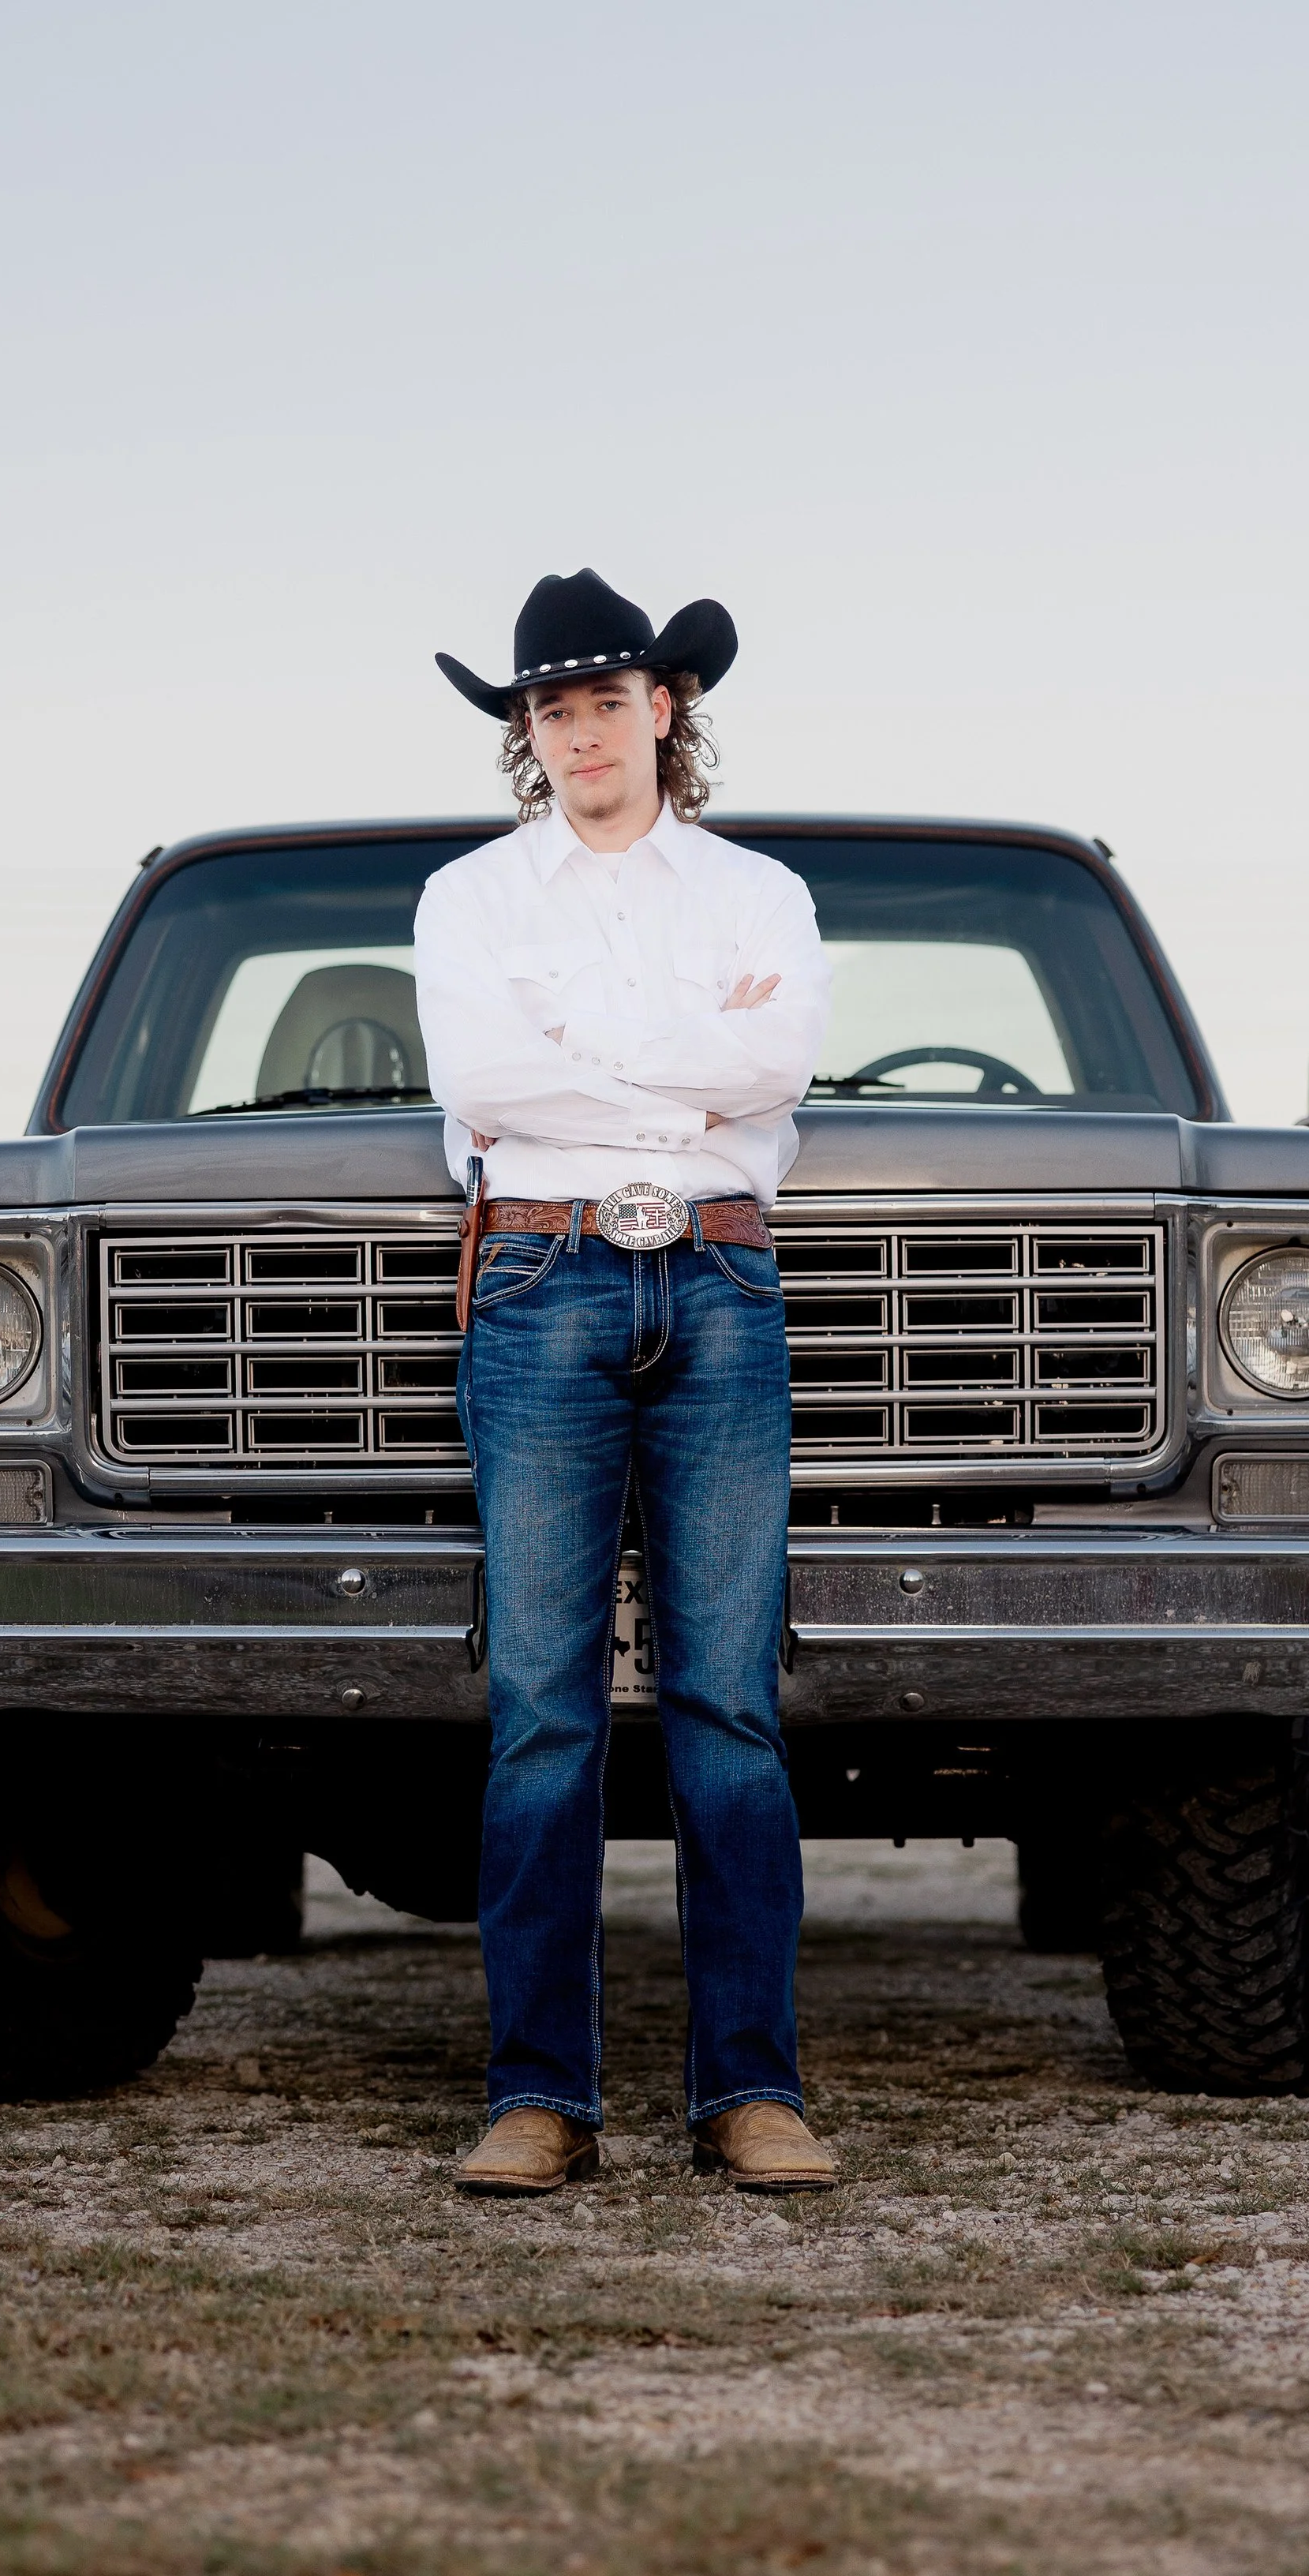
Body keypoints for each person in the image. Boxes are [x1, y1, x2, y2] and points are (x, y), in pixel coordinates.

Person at [415, 568, 837, 2198]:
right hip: (533, 1280)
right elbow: (485, 1083)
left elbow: (775, 1065)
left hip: (722, 1278)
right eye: (549, 710)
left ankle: (751, 2093)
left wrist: (596, 1077)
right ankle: (540, 2100)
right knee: (542, 1712)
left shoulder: (759, 892)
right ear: (526, 735)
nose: (577, 733)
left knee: (728, 1708)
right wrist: (679, 1072)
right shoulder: (469, 898)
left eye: (604, 701)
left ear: (664, 709)